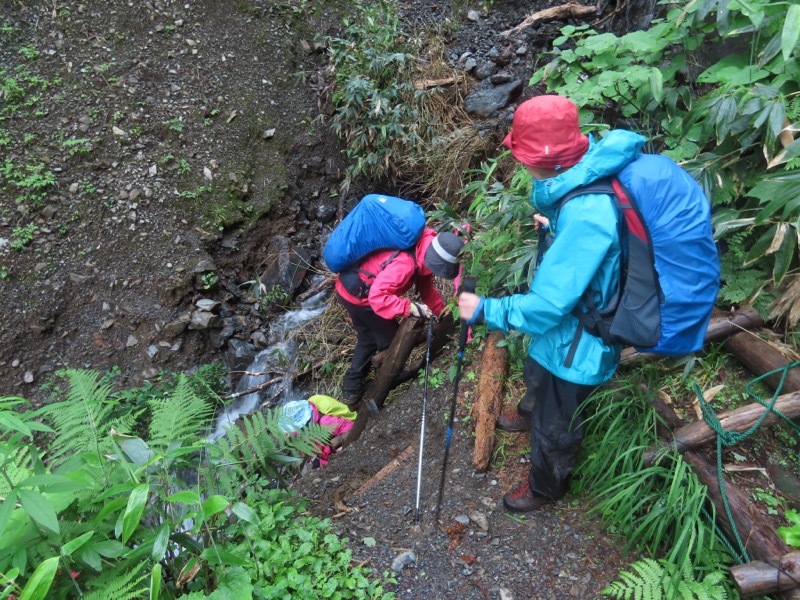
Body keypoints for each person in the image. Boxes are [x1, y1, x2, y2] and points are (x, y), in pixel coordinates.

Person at [458, 94, 647, 512]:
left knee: (557, 425)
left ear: (548, 160)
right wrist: (554, 223)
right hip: (563, 331)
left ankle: (546, 487)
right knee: (534, 372)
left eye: (521, 155)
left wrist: (487, 310)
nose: (518, 162)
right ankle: (529, 411)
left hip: (580, 341)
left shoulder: (587, 214)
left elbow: (546, 309)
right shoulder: (581, 176)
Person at [337, 227, 465, 408]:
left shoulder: (423, 250)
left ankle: (351, 389)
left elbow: (427, 290)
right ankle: (382, 383)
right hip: (361, 299)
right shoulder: (404, 264)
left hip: (350, 288)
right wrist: (409, 307)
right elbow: (378, 297)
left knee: (367, 338)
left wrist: (442, 312)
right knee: (391, 340)